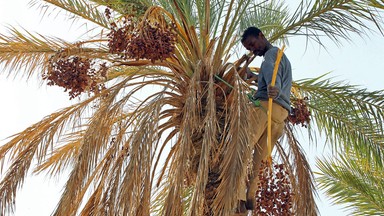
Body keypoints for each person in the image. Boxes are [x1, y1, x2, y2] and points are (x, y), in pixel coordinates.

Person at [237, 26, 292, 212]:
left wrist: (271, 85)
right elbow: (271, 74)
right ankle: (251, 197)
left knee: (242, 147)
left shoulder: (271, 55)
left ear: (261, 35)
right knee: (259, 161)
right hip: (280, 117)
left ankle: (236, 193)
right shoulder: (282, 57)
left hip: (264, 108)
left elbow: (270, 71)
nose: (253, 50)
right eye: (249, 49)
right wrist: (254, 77)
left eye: (253, 44)